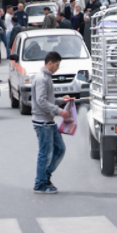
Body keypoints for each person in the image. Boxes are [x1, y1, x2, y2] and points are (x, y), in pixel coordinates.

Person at [32, 51, 75, 194]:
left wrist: (63, 100)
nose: (57, 68)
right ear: (50, 63)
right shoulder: (42, 78)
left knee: (60, 149)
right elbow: (41, 101)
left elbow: (47, 100)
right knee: (45, 153)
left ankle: (45, 177)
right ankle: (40, 183)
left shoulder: (47, 77)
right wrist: (59, 111)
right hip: (43, 122)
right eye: (56, 65)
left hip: (48, 121)